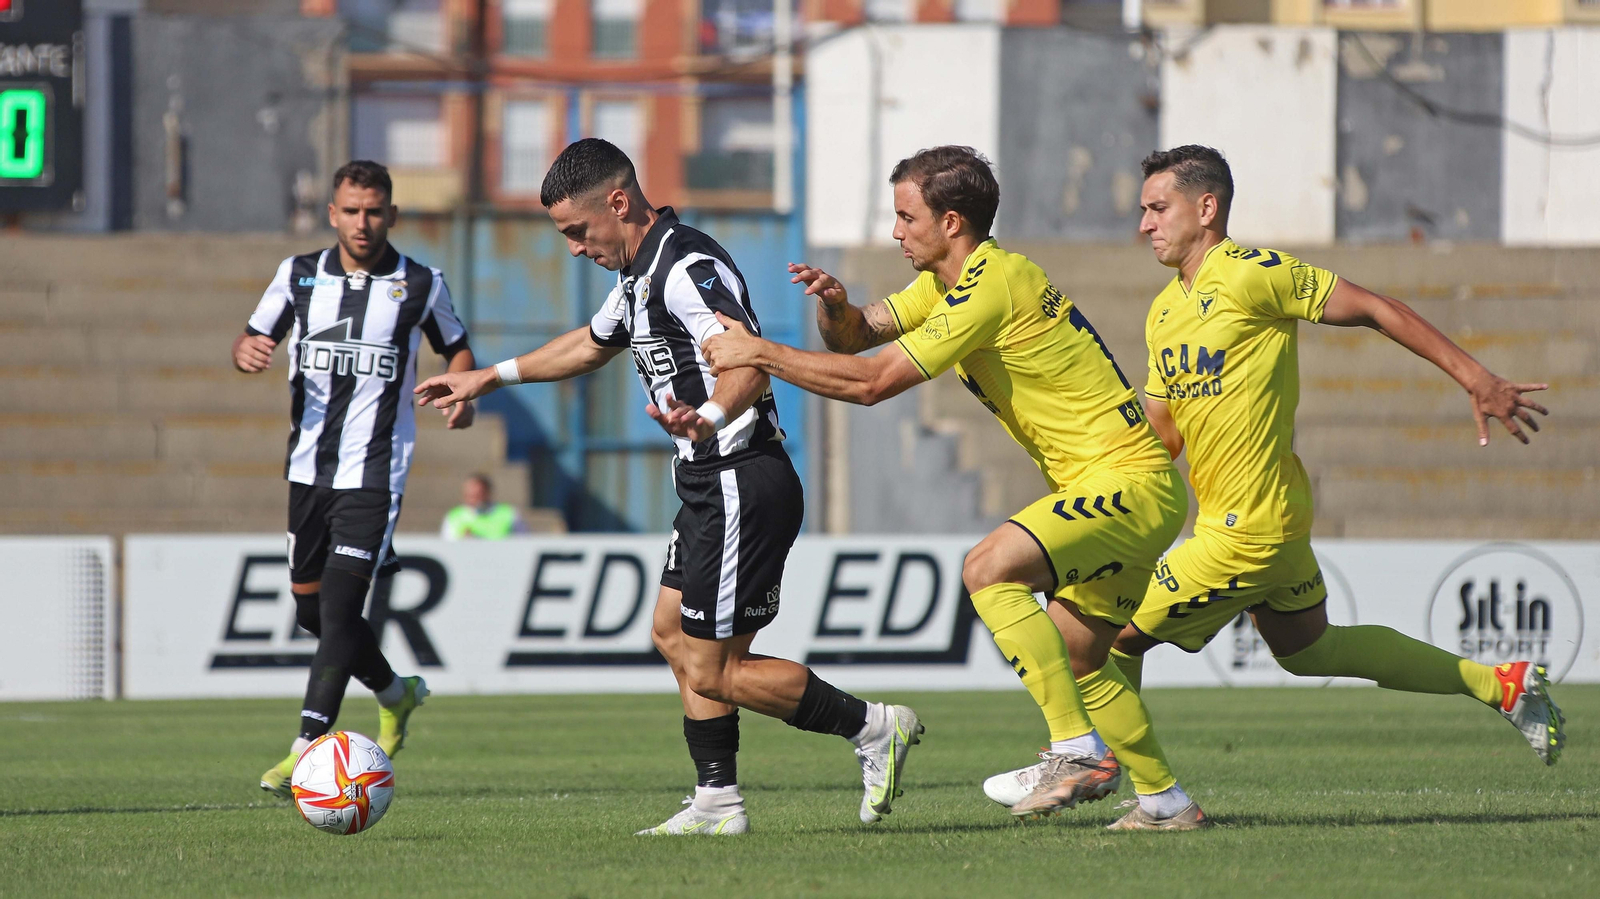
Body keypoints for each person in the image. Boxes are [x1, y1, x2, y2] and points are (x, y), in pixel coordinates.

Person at [413, 138, 922, 836]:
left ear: (618, 203)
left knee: (714, 668)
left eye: (576, 230)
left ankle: (873, 726)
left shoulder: (686, 264)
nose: (572, 248)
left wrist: (709, 417)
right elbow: (590, 343)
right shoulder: (636, 274)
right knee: (670, 634)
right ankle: (717, 801)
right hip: (709, 484)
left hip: (743, 476)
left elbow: (747, 359)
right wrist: (488, 376)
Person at [702, 146, 1203, 829]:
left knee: (987, 567)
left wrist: (758, 353)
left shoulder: (989, 285)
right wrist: (836, 307)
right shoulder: (950, 282)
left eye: (908, 217)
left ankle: (1075, 751)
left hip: (1126, 479)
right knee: (1080, 653)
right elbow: (858, 338)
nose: (896, 231)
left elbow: (875, 385)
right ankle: (1165, 800)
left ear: (953, 221)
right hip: (1129, 487)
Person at [1106, 145, 1565, 814]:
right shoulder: (1163, 311)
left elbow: (1377, 308)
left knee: (1109, 634)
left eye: (1156, 208)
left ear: (1206, 208)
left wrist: (1476, 376)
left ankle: (1145, 791)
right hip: (1253, 518)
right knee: (1307, 648)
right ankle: (1502, 683)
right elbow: (1164, 434)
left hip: (1250, 526)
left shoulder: (1253, 273)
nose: (1144, 224)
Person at [233, 159, 477, 798]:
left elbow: (456, 346)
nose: (363, 223)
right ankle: (396, 695)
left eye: (374, 211)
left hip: (375, 473)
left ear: (391, 214)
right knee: (313, 612)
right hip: (307, 469)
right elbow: (252, 337)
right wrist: (248, 351)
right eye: (352, 211)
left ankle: (306, 746)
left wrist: (463, 390)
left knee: (342, 608)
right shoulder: (299, 276)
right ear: (333, 214)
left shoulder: (420, 284)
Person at [441, 474, 528, 539]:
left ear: (487, 493)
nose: (473, 500)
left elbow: (524, 541)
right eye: (469, 496)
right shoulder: (454, 516)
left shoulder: (508, 513)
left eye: (477, 496)